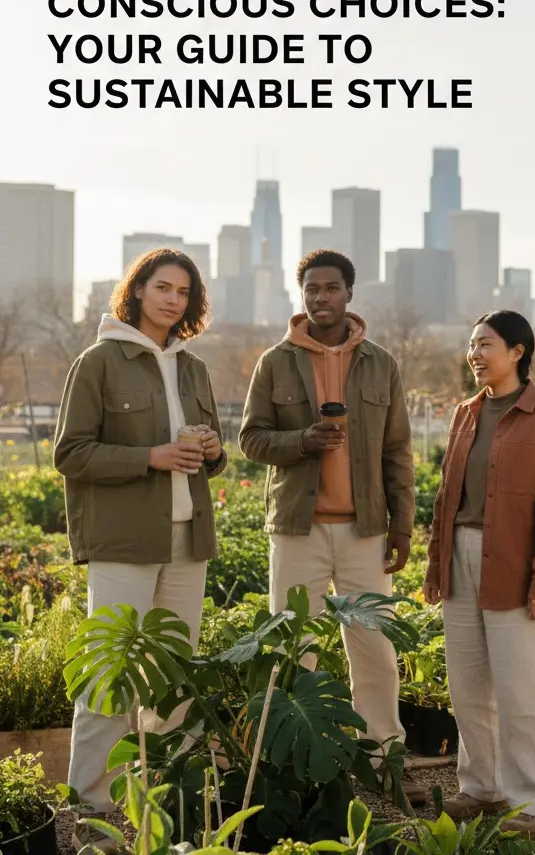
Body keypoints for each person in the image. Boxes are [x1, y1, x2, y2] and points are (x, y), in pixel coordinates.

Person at [237, 249, 424, 805]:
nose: (321, 297)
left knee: (375, 652)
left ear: (349, 293)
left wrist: (403, 526)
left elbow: (398, 450)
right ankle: (297, 768)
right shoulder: (275, 361)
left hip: (366, 530)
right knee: (296, 651)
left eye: (331, 288)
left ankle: (386, 761)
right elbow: (250, 439)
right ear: (302, 296)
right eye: (311, 289)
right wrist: (303, 442)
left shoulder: (381, 363)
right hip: (297, 531)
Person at [53, 249, 226, 842]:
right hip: (124, 543)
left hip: (187, 543)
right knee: (111, 672)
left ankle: (165, 797)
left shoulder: (194, 367)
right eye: (162, 287)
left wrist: (209, 448)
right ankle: (91, 805)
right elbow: (69, 453)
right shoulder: (99, 361)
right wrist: (149, 457)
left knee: (173, 674)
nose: (172, 299)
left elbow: (216, 455)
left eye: (183, 291)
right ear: (138, 290)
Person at [424, 311, 535, 843]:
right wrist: (435, 564)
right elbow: (447, 498)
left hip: (512, 562)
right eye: (471, 345)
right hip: (461, 559)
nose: (475, 354)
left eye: (485, 344)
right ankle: (482, 787)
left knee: (520, 693)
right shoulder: (466, 413)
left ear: (517, 351)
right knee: (467, 685)